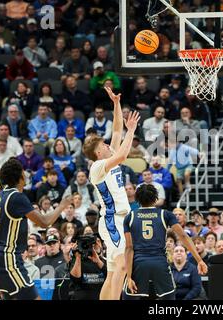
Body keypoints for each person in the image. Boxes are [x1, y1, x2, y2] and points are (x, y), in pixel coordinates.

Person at [0, 158, 72, 300]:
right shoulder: (17, 197)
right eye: (23, 171)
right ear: (20, 177)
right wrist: (62, 205)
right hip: (9, 258)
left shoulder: (0, 196)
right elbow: (44, 222)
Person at [82, 87, 140, 300]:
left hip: (121, 219)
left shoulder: (109, 156)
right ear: (99, 152)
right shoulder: (97, 167)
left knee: (114, 271)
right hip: (112, 220)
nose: (109, 144)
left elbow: (116, 131)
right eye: (104, 145)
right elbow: (124, 154)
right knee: (123, 265)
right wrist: (132, 130)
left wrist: (115, 104)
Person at [123, 184, 207, 300]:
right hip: (160, 262)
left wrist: (128, 276)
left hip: (139, 264)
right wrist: (199, 260)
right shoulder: (165, 214)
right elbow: (183, 236)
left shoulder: (129, 217)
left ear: (137, 199)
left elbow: (129, 248)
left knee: (129, 296)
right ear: (156, 198)